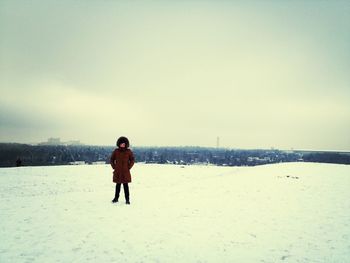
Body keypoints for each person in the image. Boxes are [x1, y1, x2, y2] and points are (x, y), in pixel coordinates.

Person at [110, 136, 135, 205]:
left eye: (124, 144)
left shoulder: (128, 151)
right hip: (118, 171)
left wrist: (128, 167)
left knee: (125, 186)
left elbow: (132, 160)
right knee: (117, 186)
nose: (122, 145)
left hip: (125, 172)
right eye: (121, 144)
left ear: (126, 144)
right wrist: (114, 167)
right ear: (119, 144)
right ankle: (116, 198)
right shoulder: (116, 151)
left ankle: (127, 200)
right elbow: (112, 159)